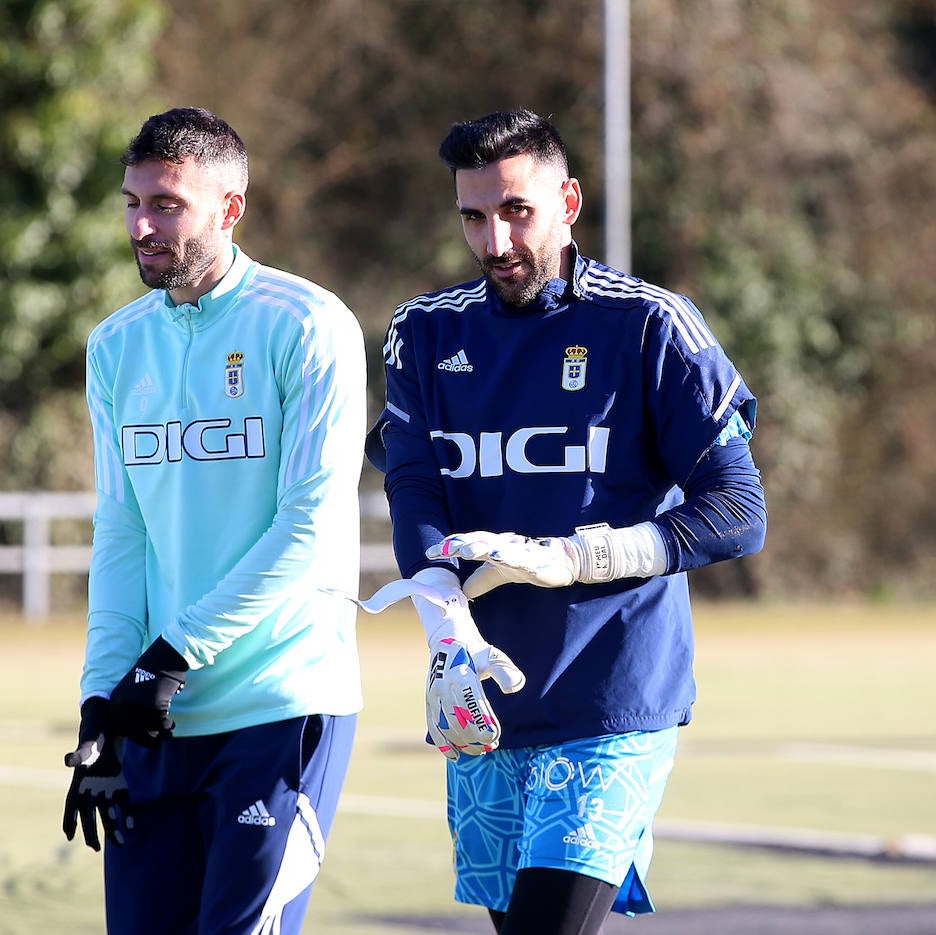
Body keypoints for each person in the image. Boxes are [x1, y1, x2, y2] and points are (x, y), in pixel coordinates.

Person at [364, 110, 767, 935]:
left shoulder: (651, 324)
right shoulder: (425, 330)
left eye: (518, 210)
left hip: (614, 695)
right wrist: (446, 631)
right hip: (484, 701)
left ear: (569, 200)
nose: (496, 240)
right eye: (474, 216)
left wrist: (575, 558)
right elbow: (413, 488)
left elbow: (739, 510)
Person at [60, 106, 367, 935]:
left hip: (279, 702)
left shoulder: (308, 324)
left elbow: (308, 526)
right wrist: (100, 696)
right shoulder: (116, 346)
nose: (142, 226)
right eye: (132, 203)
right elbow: (123, 532)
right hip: (158, 712)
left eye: (168, 205)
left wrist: (175, 650)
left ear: (230, 209)